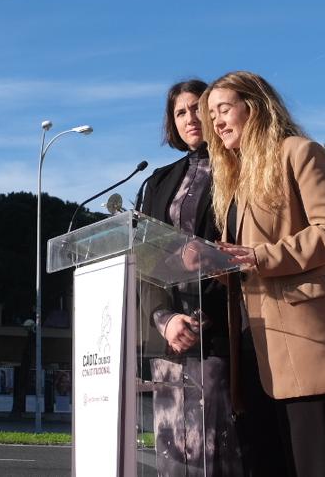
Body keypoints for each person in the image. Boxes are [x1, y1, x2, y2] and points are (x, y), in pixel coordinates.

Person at [206, 71, 325, 477]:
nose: (217, 122)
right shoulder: (236, 180)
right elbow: (243, 261)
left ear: (255, 106)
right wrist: (212, 265)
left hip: (309, 346)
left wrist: (257, 257)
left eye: (223, 109)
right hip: (256, 355)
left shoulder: (299, 152)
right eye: (211, 116)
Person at [138, 78, 242, 477]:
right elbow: (145, 257)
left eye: (198, 107)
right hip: (170, 340)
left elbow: (241, 246)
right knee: (174, 456)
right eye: (180, 112)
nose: (190, 117)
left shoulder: (239, 165)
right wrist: (164, 320)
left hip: (217, 332)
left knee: (215, 452)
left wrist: (199, 318)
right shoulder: (158, 180)